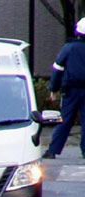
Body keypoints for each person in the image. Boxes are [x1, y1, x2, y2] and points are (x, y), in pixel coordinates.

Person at [44, 17, 85, 159]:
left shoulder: (69, 48)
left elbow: (57, 69)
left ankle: (53, 150)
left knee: (65, 120)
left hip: (71, 90)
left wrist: (53, 88)